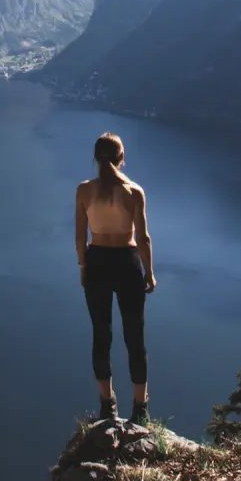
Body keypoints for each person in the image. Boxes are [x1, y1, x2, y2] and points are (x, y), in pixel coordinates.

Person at [75, 132, 157, 426]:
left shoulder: (84, 190)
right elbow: (144, 238)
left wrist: (83, 266)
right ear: (121, 159)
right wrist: (149, 272)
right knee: (135, 337)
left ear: (96, 158)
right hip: (127, 262)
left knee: (101, 334)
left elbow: (79, 236)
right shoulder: (135, 192)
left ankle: (107, 405)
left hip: (96, 262)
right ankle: (140, 409)